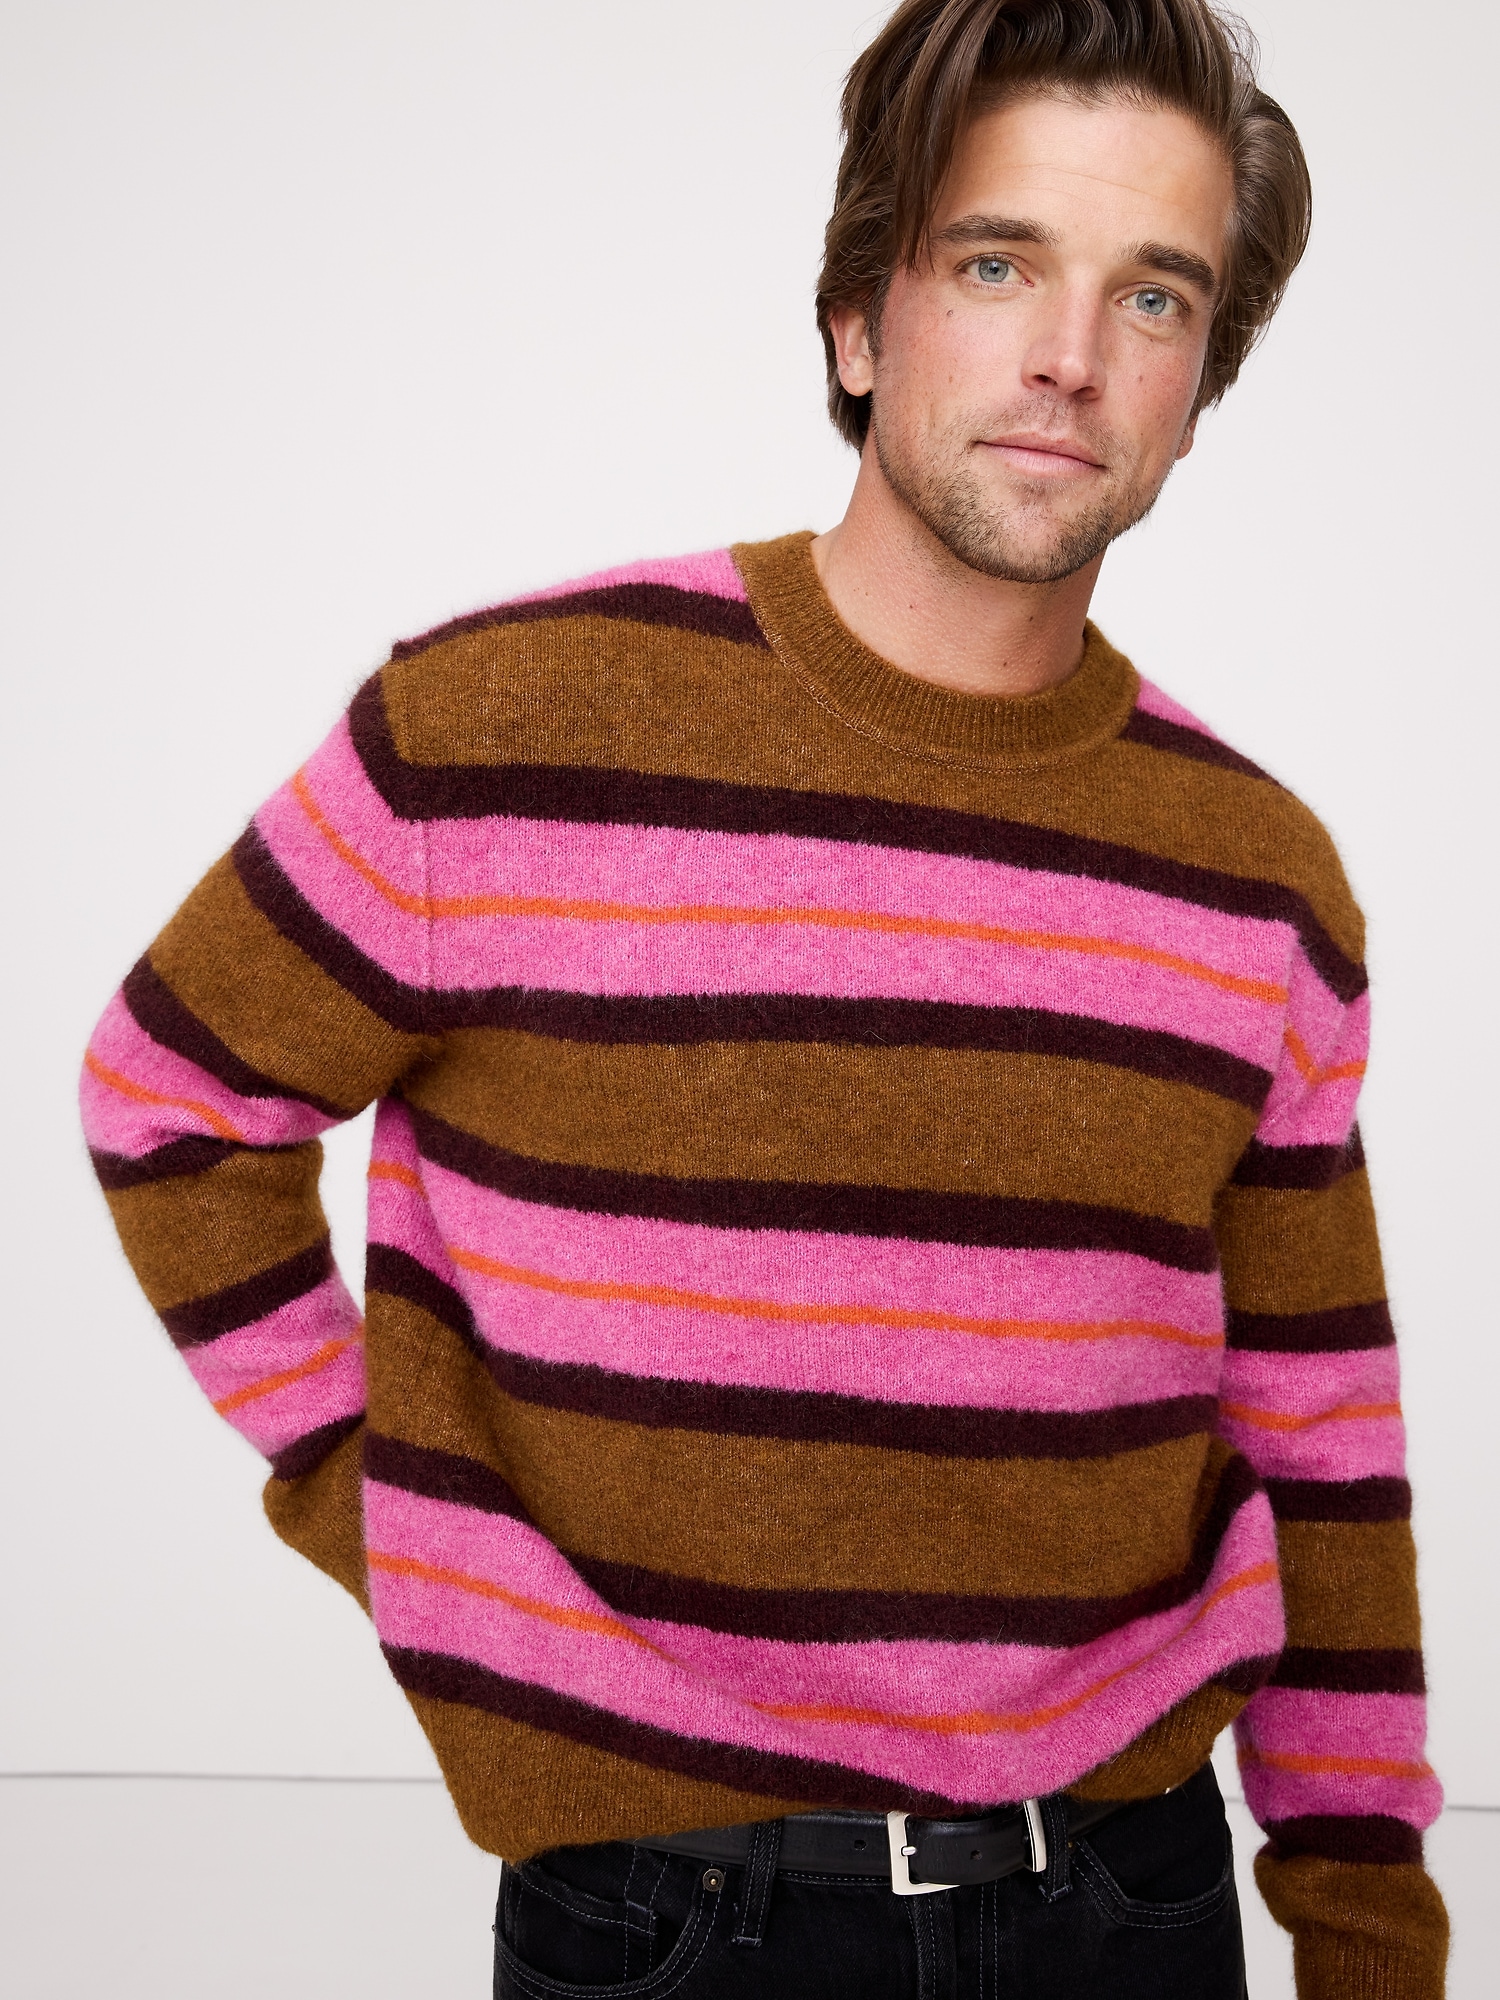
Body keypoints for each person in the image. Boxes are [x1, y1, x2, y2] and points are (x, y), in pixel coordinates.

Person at [81, 2, 1448, 1994]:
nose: (1072, 354)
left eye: (1153, 296)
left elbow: (1319, 1435)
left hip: (1129, 1903)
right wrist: (390, 1512)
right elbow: (172, 1097)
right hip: (668, 1913)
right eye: (1000, 264)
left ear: (1196, 388)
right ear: (859, 320)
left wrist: (1365, 1928)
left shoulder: (1260, 875)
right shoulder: (497, 733)